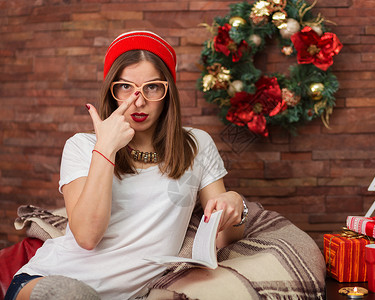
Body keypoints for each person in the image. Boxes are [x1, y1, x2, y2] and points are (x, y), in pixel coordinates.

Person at [5, 30, 247, 300]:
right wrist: (105, 149)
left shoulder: (196, 145)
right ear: (112, 91)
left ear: (168, 92)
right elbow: (86, 237)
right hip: (52, 281)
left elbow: (225, 236)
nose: (139, 101)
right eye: (125, 87)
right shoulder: (82, 146)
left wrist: (235, 203)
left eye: (152, 87)